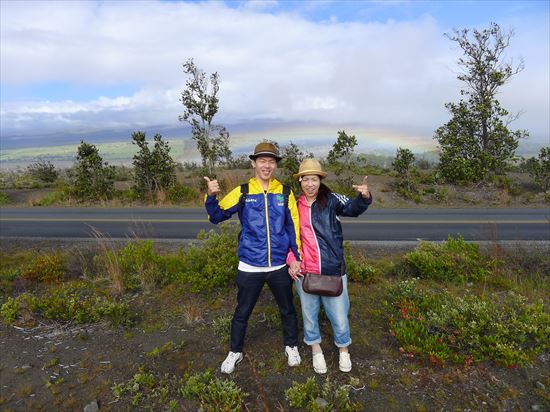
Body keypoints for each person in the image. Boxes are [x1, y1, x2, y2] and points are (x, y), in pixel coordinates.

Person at [204, 142, 303, 374]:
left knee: (287, 309)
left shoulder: (286, 192)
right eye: (262, 160)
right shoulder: (243, 191)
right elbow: (217, 216)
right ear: (253, 163)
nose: (267, 165)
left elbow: (293, 227)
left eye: (271, 161)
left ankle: (291, 346)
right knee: (242, 312)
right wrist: (210, 196)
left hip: (279, 265)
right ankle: (235, 351)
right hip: (249, 264)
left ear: (275, 165)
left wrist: (296, 257)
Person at [288, 158, 372, 374]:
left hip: (333, 270)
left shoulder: (332, 199)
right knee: (309, 314)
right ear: (300, 182)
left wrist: (363, 197)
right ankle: (316, 349)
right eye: (305, 179)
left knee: (340, 316)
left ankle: (344, 350)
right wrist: (291, 260)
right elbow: (287, 237)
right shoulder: (294, 205)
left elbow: (352, 208)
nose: (309, 184)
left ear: (320, 180)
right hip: (305, 272)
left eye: (313, 179)